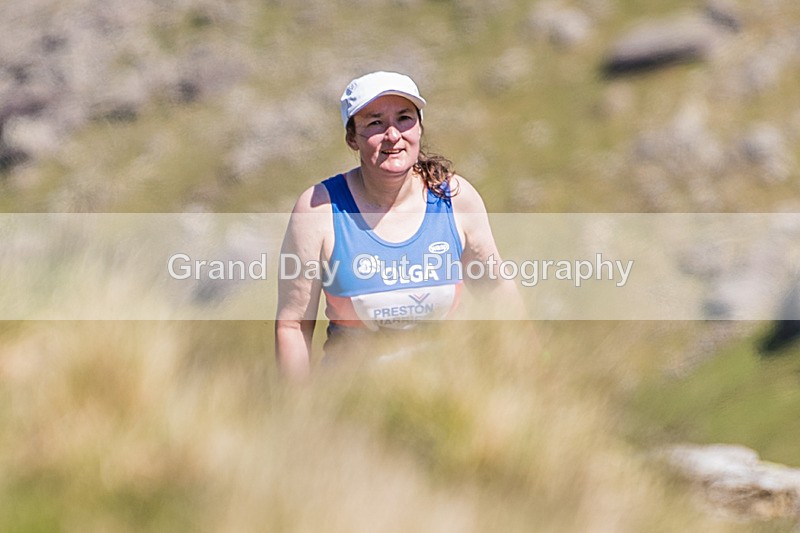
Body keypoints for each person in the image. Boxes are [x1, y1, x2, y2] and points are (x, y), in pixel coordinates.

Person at [275, 71, 523, 381]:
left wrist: (526, 374)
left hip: (452, 401)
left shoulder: (456, 199)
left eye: (404, 118)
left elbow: (497, 291)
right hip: (352, 405)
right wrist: (300, 411)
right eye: (375, 122)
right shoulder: (318, 209)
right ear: (352, 137)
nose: (393, 135)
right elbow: (294, 325)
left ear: (420, 127)